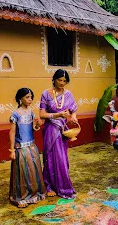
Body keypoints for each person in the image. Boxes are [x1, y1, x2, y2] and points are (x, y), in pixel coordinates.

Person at [39, 69, 78, 199]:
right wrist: (58, 114)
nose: (62, 83)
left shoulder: (69, 94)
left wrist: (73, 117)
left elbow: (73, 110)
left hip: (63, 130)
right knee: (50, 157)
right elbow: (42, 114)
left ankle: (63, 185)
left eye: (64, 81)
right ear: (54, 79)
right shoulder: (46, 94)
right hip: (50, 130)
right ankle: (49, 185)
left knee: (62, 159)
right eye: (59, 80)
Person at [9, 88, 46, 208]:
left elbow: (33, 129)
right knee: (23, 174)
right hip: (21, 148)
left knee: (33, 172)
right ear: (20, 98)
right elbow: (12, 132)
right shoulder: (15, 114)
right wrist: (12, 150)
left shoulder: (31, 112)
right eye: (27, 97)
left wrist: (37, 125)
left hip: (31, 146)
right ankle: (22, 197)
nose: (30, 100)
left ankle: (34, 194)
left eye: (31, 97)